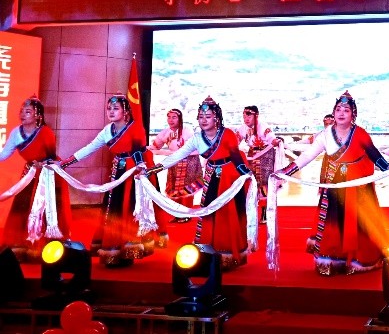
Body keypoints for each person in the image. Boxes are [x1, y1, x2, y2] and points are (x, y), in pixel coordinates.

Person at [278, 91, 389, 276]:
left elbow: (373, 154)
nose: (341, 113)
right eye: (338, 109)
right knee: (333, 222)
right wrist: (285, 172)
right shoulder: (326, 135)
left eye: (346, 110)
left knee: (358, 224)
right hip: (334, 186)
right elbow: (308, 155)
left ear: (353, 114)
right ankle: (332, 261)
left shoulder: (360, 133)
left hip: (358, 188)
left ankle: (358, 261)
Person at [60, 94, 169, 267]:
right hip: (118, 172)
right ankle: (114, 247)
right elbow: (90, 147)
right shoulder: (107, 130)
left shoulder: (135, 128)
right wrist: (66, 162)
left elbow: (138, 151)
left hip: (136, 173)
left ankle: (130, 248)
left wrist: (140, 169)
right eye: (109, 108)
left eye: (115, 108)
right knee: (114, 207)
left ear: (125, 112)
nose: (111, 111)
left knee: (130, 208)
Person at [146, 97, 253, 270]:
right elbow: (177, 155)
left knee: (228, 214)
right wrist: (152, 170)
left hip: (229, 178)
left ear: (216, 118)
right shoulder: (197, 138)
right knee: (209, 212)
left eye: (208, 117)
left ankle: (228, 253)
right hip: (212, 177)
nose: (204, 120)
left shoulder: (227, 134)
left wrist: (246, 174)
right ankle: (209, 251)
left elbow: (235, 155)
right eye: (201, 117)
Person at [0, 97, 71, 263]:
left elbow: (51, 156)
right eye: (21, 111)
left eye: (27, 112)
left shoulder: (45, 132)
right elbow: (4, 154)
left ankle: (44, 245)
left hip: (48, 175)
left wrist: (43, 165)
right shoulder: (16, 133)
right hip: (30, 174)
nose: (22, 115)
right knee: (22, 206)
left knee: (45, 209)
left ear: (38, 115)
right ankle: (21, 245)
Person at [149, 109, 203, 224]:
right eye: (169, 117)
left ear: (180, 119)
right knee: (175, 190)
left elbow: (194, 148)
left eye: (174, 117)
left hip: (189, 162)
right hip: (174, 163)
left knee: (187, 189)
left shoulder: (187, 131)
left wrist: (169, 153)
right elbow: (155, 146)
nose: (171, 120)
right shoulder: (165, 132)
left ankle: (186, 214)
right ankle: (178, 214)